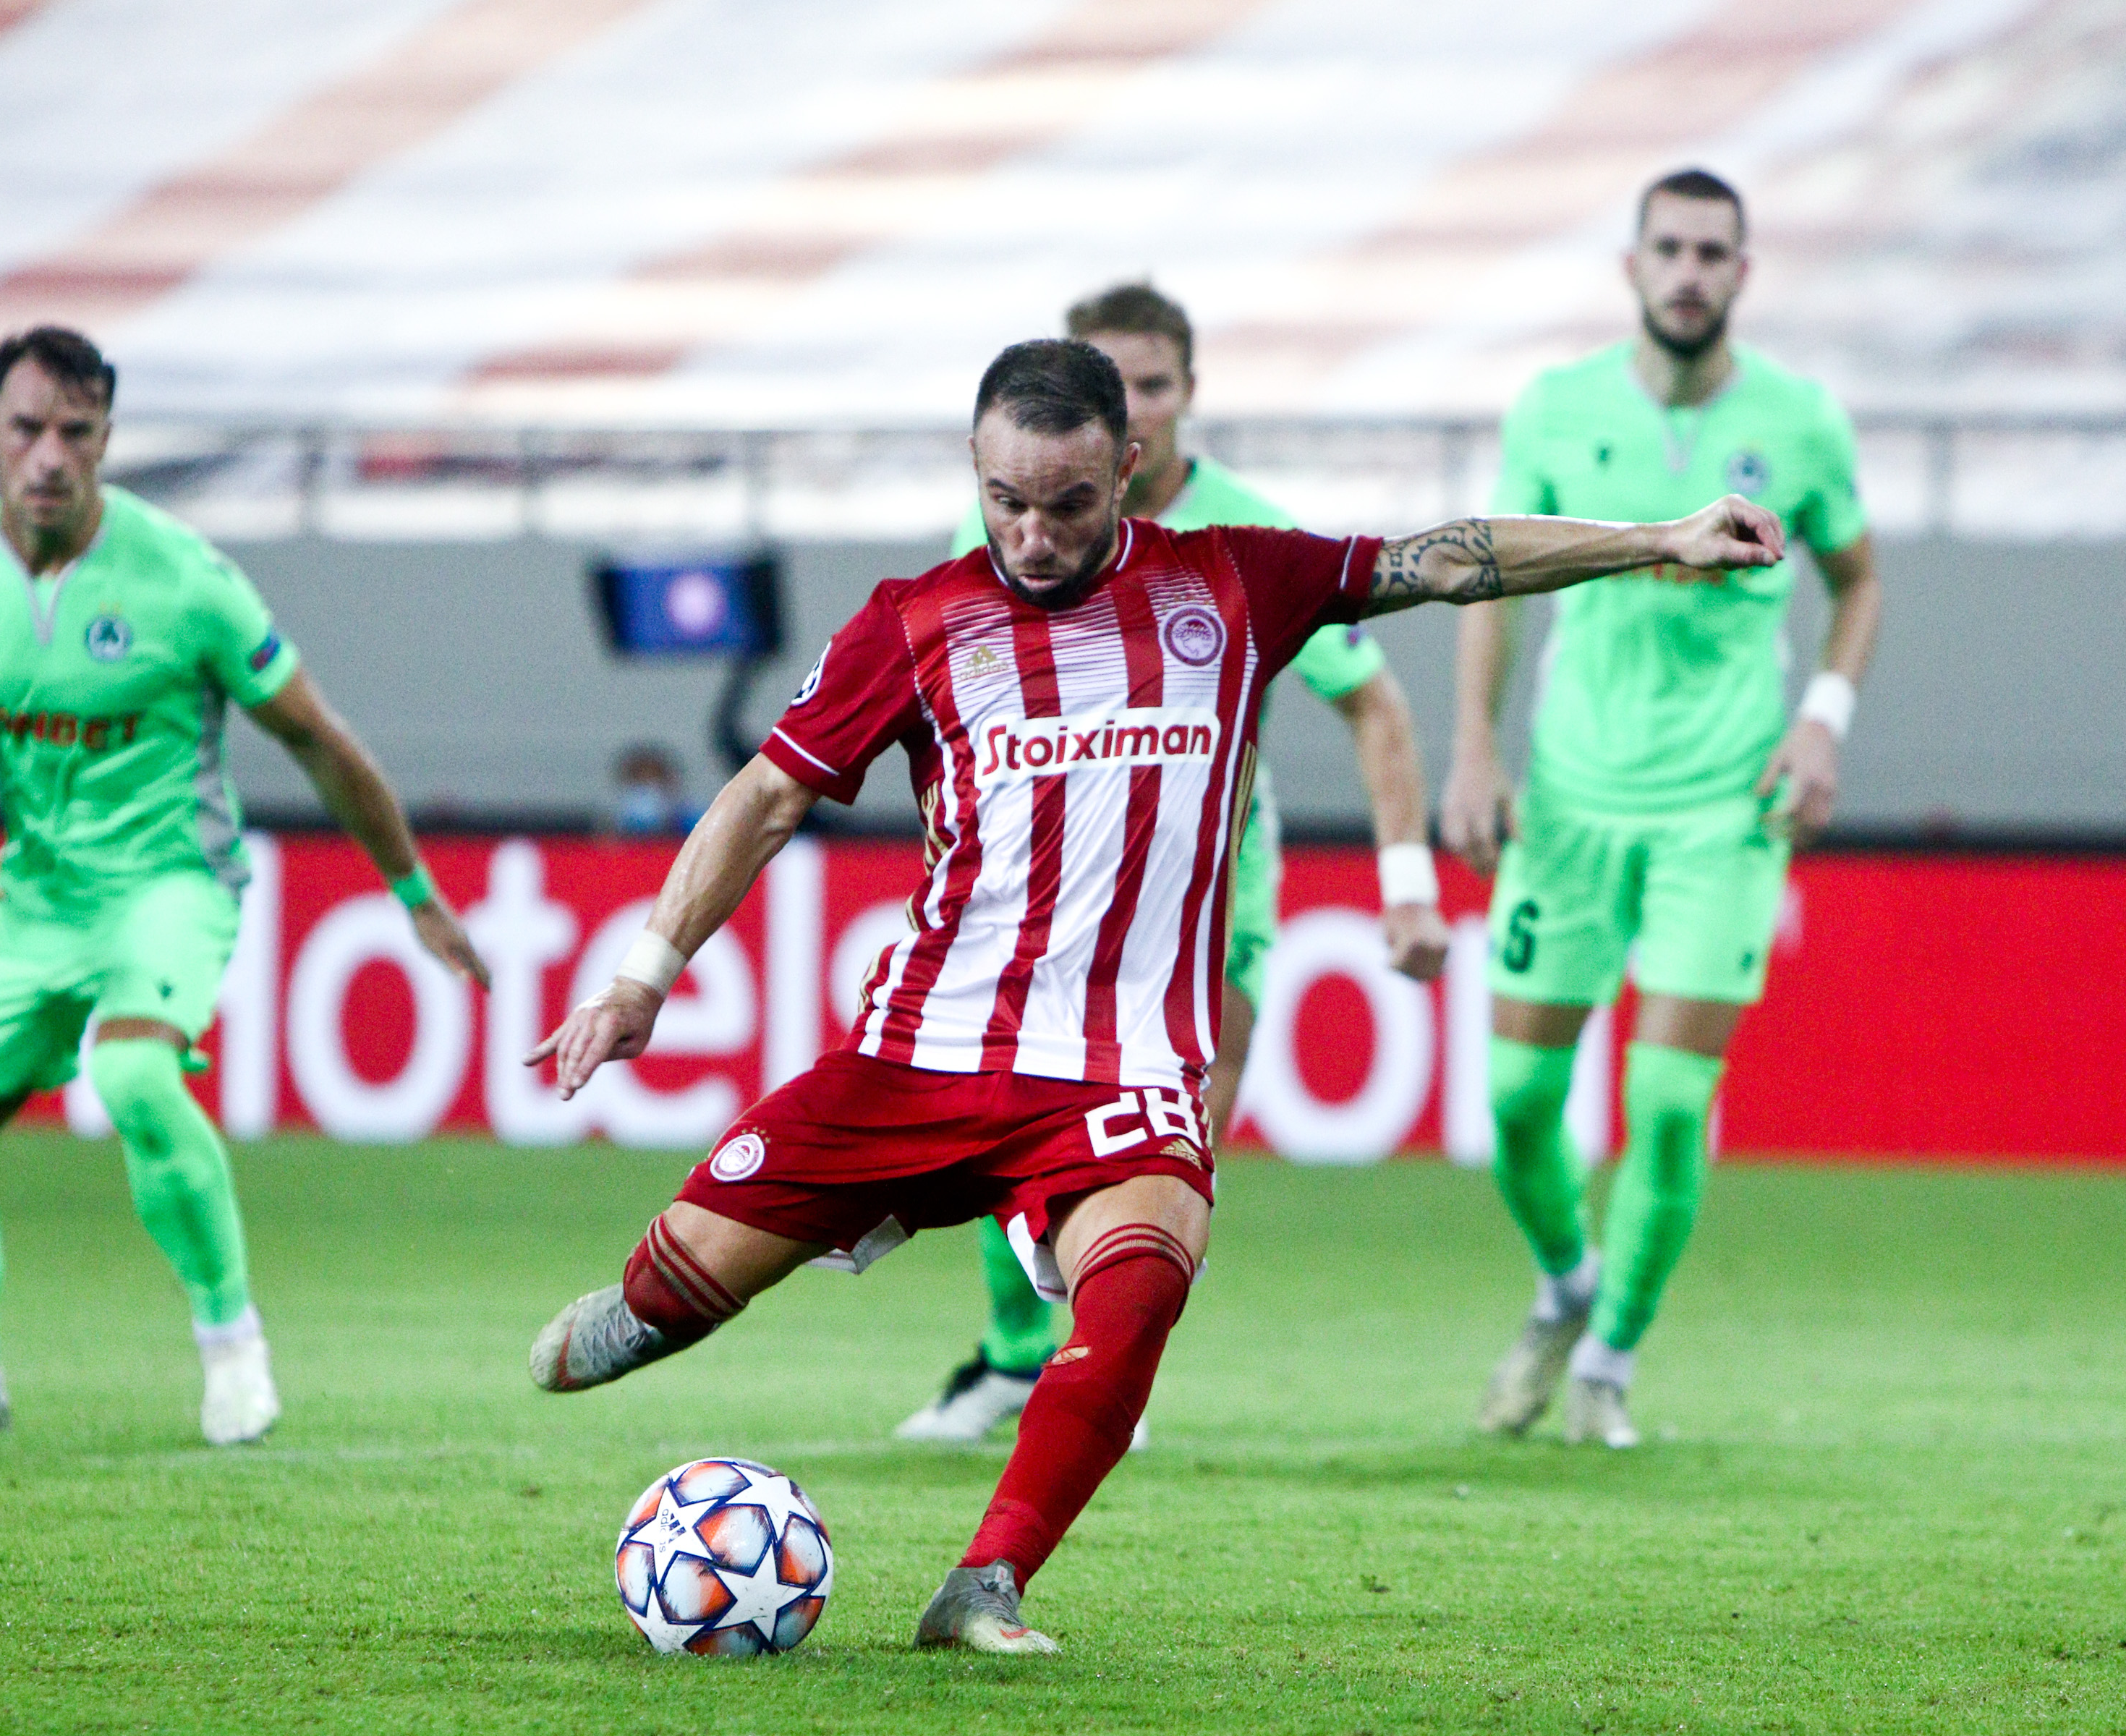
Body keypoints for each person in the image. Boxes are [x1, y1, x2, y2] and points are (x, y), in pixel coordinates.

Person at [523, 336, 1783, 1653]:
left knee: (1139, 1288)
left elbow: (1452, 558)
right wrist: (642, 977)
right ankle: (641, 1314)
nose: (1035, 535)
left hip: (1120, 1072)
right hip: (918, 1053)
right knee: (653, 1312)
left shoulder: (1232, 580)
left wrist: (1658, 539)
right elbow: (766, 797)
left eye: (1069, 503)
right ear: (975, 469)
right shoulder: (914, 621)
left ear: (1128, 468)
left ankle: (984, 1585)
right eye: (1007, 501)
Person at [0, 326, 489, 1445]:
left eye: (76, 431)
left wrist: (415, 893)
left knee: (137, 1074)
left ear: (107, 438)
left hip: (171, 883)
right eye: (28, 429)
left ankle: (233, 1346)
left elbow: (319, 739)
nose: (50, 456)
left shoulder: (186, 579)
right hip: (34, 899)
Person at [896, 282, 1447, 1446]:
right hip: (1043, 893)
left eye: (1152, 383)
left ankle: (1103, 1369)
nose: (1132, 404)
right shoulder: (997, 528)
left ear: (1187, 394)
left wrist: (1407, 885)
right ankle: (1013, 1358)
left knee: (1170, 1140)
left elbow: (1373, 699)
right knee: (1001, 1129)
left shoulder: (1246, 536)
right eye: (1113, 381)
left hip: (1207, 896)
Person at [1442, 169, 1882, 1450]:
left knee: (1674, 1103)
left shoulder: (1800, 420)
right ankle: (1566, 1286)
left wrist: (1823, 719)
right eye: (1671, 249)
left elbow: (1858, 579)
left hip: (1722, 807)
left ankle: (1609, 1363)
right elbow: (1492, 579)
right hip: (1572, 798)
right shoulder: (1556, 407)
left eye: (1712, 252)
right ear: (1633, 266)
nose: (1690, 272)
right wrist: (1473, 748)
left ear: (1743, 272)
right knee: (1519, 1099)